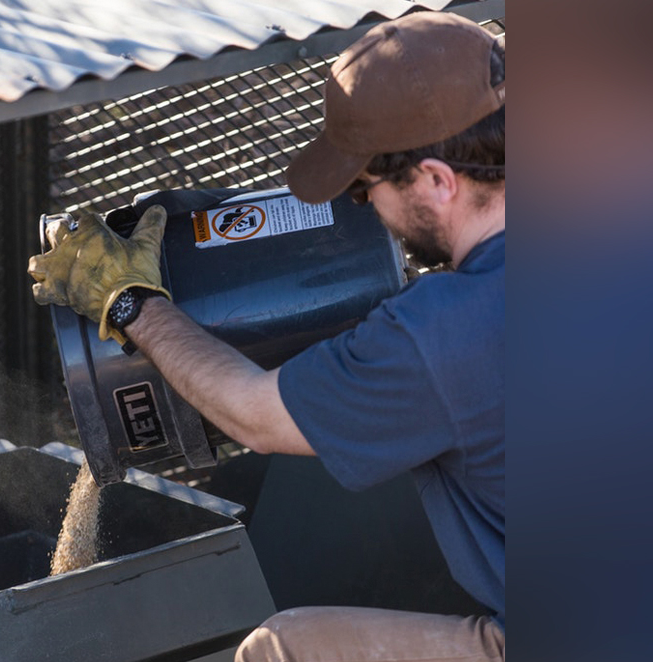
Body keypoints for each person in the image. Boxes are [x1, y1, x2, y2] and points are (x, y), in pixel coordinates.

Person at [28, 10, 505, 662]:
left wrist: (131, 302)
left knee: (283, 650)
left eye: (364, 193)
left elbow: (256, 415)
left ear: (436, 181)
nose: (367, 214)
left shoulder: (444, 333)